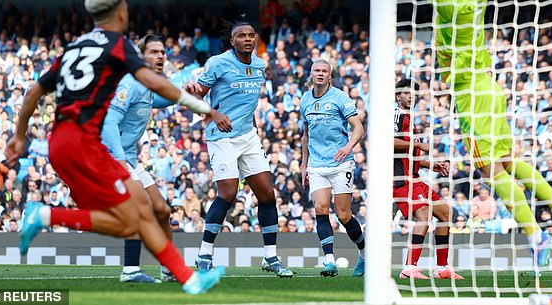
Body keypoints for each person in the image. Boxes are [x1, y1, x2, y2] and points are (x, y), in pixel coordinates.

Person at [5, 0, 226, 295]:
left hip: (61, 142)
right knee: (131, 220)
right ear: (121, 12)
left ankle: (187, 280)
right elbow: (153, 83)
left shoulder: (74, 47)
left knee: (139, 215)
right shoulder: (118, 45)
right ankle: (44, 214)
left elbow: (33, 91)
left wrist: (19, 135)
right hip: (89, 146)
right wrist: (205, 109)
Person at [400, 0, 552, 268]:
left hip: (472, 96)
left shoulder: (452, 5)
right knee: (510, 163)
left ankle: (535, 234)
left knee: (491, 171)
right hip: (490, 89)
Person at [188, 20, 293, 278]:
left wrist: (254, 130)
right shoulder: (217, 63)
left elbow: (249, 105)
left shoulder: (259, 65)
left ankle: (271, 258)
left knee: (267, 194)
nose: (247, 39)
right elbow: (194, 97)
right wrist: (213, 113)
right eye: (241, 36)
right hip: (221, 136)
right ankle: (204, 254)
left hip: (248, 136)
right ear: (232, 41)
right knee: (227, 193)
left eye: (250, 35)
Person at [101, 33, 182, 283]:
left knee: (162, 210)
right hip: (114, 158)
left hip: (131, 159)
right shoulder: (130, 83)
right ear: (140, 56)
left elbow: (168, 98)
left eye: (162, 52)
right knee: (141, 208)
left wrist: (176, 84)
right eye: (154, 52)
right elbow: (109, 121)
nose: (160, 56)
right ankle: (130, 271)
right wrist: (119, 160)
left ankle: (168, 270)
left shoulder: (147, 85)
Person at [300, 59, 366, 277]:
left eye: (324, 71)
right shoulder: (305, 100)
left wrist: (348, 147)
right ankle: (329, 261)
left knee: (343, 214)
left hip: (340, 163)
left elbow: (358, 128)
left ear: (330, 75)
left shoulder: (340, 97)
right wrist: (303, 164)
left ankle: (365, 255)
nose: (320, 73)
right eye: (317, 70)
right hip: (316, 164)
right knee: (320, 208)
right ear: (311, 74)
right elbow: (306, 135)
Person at [393, 79, 463, 280]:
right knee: (423, 217)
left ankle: (442, 268)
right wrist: (418, 146)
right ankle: (409, 268)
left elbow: (410, 158)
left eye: (414, 93)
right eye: (406, 93)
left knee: (445, 214)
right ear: (398, 96)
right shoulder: (397, 116)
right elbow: (386, 141)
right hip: (400, 179)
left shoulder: (410, 120)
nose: (411, 96)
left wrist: (432, 165)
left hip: (414, 177)